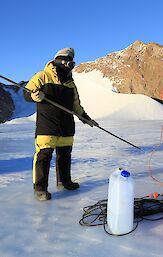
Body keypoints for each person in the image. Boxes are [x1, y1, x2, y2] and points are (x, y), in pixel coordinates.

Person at [24, 48, 98, 201]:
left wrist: (86, 118)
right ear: (61, 60)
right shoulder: (42, 76)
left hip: (66, 127)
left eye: (72, 62)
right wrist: (34, 96)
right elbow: (26, 92)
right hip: (47, 126)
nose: (71, 65)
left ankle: (64, 182)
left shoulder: (71, 84)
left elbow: (76, 106)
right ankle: (40, 188)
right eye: (69, 61)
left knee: (65, 156)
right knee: (43, 156)